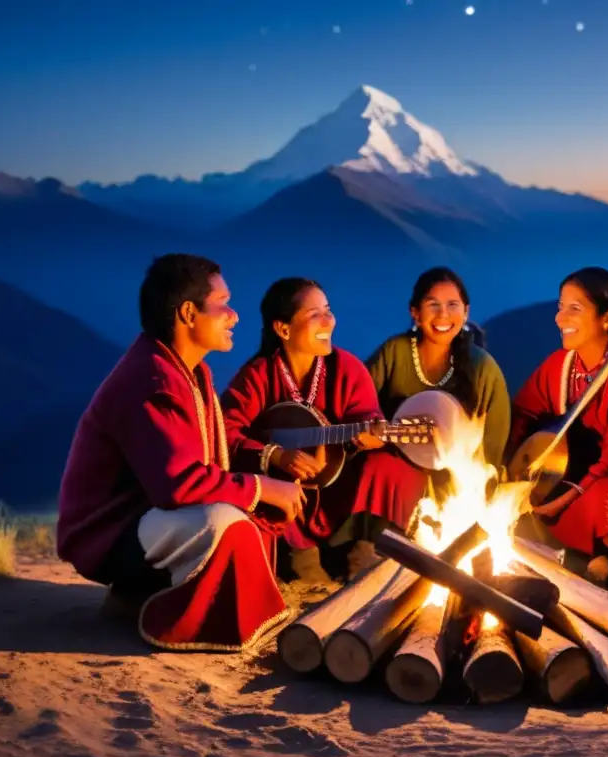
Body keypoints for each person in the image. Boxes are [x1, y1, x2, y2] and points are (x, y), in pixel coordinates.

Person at [57, 253, 305, 651]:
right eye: (223, 304)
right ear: (189, 313)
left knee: (243, 514)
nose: (234, 316)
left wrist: (265, 485)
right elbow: (178, 483)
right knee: (225, 520)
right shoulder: (151, 380)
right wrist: (262, 487)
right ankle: (163, 605)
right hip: (108, 535)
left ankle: (147, 596)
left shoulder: (188, 370)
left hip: (148, 520)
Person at [220, 277, 396, 581]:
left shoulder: (348, 368)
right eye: (315, 314)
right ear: (283, 328)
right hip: (285, 496)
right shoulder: (257, 376)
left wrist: (370, 432)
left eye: (328, 310)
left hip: (336, 489)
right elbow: (225, 431)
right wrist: (275, 456)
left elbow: (365, 411)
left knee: (387, 466)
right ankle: (300, 559)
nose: (328, 320)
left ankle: (364, 552)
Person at [507, 267, 608, 586]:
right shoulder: (560, 364)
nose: (559, 318)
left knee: (606, 494)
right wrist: (510, 470)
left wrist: (563, 500)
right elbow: (522, 412)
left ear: (607, 318)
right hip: (563, 479)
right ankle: (567, 554)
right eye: (560, 307)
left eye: (574, 309)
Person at [358, 267, 511, 531]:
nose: (443, 315)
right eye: (433, 305)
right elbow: (359, 400)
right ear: (414, 312)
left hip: (455, 481)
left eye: (453, 304)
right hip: (396, 468)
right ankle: (368, 548)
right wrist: (373, 427)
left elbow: (493, 444)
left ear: (466, 312)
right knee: (378, 466)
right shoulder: (395, 351)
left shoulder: (482, 366)